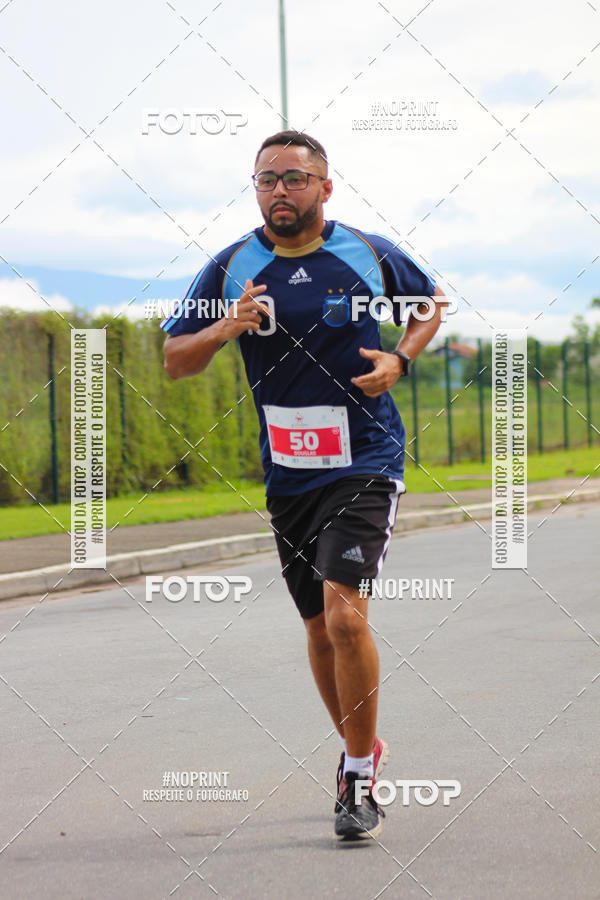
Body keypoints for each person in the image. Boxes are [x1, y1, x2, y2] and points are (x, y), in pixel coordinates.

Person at [162, 130, 447, 840]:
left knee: (346, 615)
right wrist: (227, 326)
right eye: (266, 180)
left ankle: (356, 779)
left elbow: (432, 302)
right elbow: (174, 360)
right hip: (288, 475)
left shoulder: (369, 252)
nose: (279, 191)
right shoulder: (231, 266)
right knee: (319, 629)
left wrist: (401, 361)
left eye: (293, 178)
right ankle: (362, 746)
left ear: (325, 186)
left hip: (365, 461)